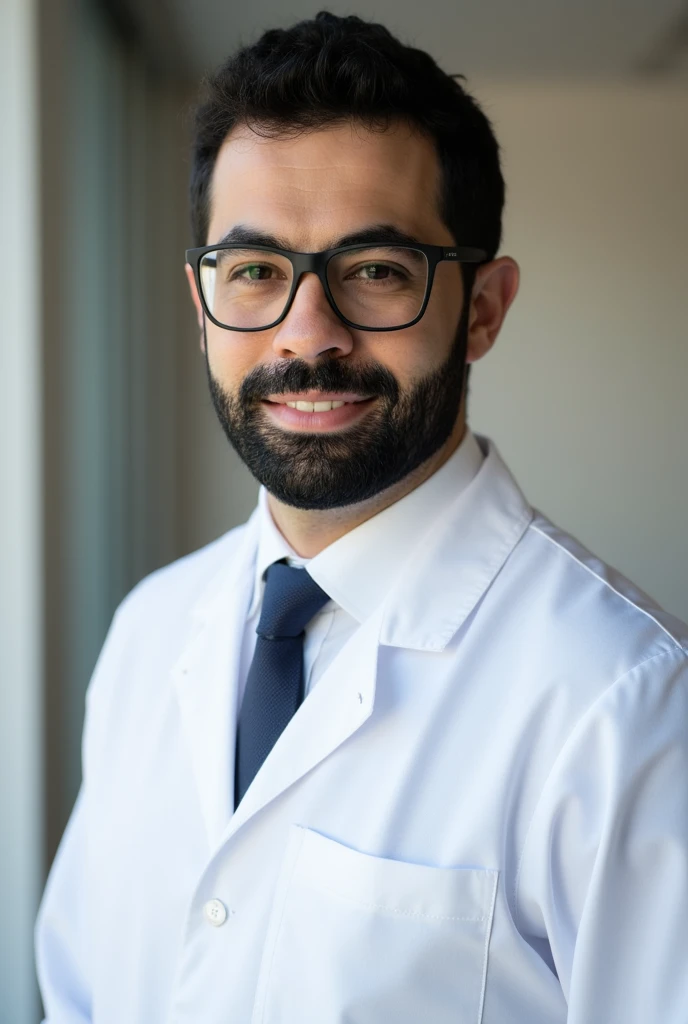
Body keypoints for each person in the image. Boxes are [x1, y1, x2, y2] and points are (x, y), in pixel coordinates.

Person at [35, 11, 688, 1024]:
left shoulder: (627, 705)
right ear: (200, 303)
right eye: (253, 271)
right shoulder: (147, 633)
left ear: (481, 308)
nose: (308, 336)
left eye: (374, 271)